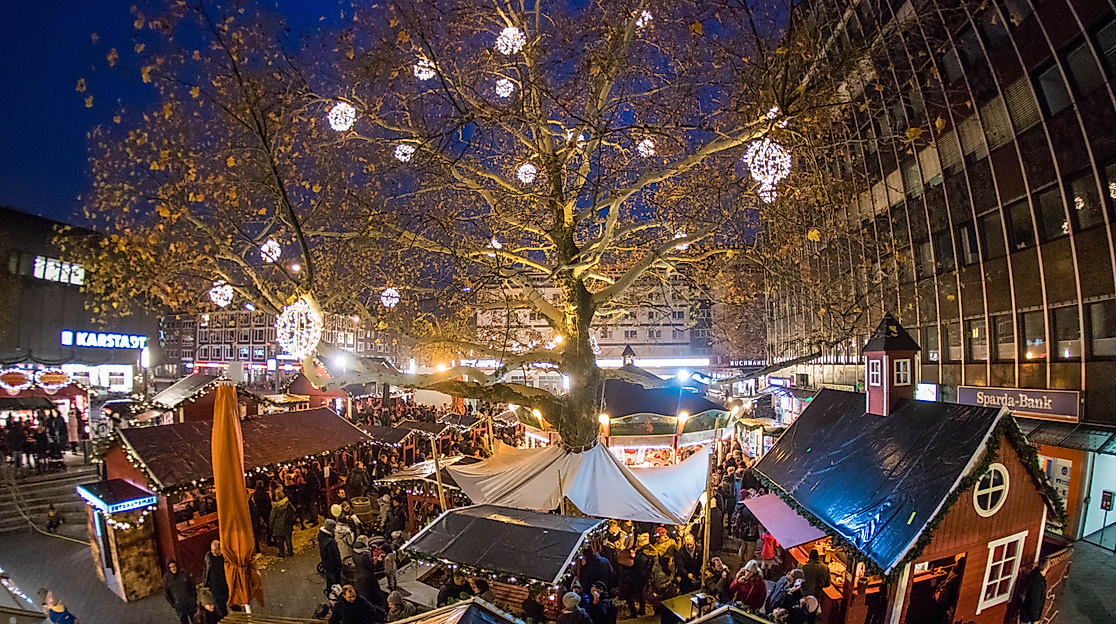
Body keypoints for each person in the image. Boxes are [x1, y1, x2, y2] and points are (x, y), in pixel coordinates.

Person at [619, 533, 653, 618]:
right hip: (643, 578)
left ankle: (634, 614)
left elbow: (638, 569)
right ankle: (642, 611)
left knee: (628, 595)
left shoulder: (642, 556)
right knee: (642, 594)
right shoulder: (647, 552)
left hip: (637, 579)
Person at [163, 560, 198, 624]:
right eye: (171, 567)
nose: (173, 568)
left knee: (196, 620)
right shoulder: (167, 579)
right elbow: (167, 594)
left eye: (174, 566)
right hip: (179, 606)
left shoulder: (184, 574)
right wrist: (174, 604)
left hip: (190, 603)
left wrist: (193, 599)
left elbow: (192, 587)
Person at [203, 539, 230, 617]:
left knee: (234, 606)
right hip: (216, 589)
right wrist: (206, 582)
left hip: (226, 587)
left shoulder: (225, 558)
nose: (213, 552)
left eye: (215, 550)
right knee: (221, 610)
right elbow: (205, 569)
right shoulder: (208, 557)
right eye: (212, 550)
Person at [1020, 557, 1050, 624]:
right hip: (1029, 618)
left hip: (1026, 615)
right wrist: (1035, 619)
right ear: (1046, 567)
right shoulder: (1038, 582)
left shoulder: (1034, 575)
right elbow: (1035, 602)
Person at [319, 519, 344, 590]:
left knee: (329, 578)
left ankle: (329, 591)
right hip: (332, 566)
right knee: (336, 581)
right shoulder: (330, 542)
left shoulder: (322, 536)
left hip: (326, 563)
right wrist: (339, 565)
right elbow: (333, 556)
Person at [271, 489, 296, 557]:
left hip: (278, 524)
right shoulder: (287, 503)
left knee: (280, 540)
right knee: (288, 538)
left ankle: (282, 553)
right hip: (287, 523)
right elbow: (294, 510)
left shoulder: (275, 506)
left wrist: (270, 527)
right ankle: (290, 552)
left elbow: (272, 517)